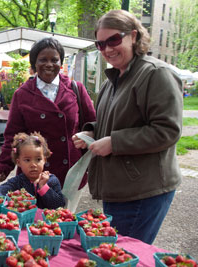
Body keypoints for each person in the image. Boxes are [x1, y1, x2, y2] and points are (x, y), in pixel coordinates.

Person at [72, 10, 183, 245]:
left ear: (133, 36)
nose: (107, 49)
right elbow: (110, 122)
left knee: (123, 254)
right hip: (119, 186)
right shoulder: (112, 80)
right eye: (100, 44)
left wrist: (114, 142)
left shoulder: (155, 74)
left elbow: (167, 130)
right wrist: (91, 131)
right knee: (116, 253)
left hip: (143, 190)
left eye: (114, 40)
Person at [0, 37, 96, 187]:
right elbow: (12, 137)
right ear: (34, 63)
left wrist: (90, 134)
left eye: (54, 60)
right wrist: (3, 166)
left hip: (71, 173)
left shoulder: (76, 89)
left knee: (65, 211)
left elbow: (92, 124)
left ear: (61, 63)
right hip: (34, 173)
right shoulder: (22, 94)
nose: (49, 64)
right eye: (42, 60)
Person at [0, 132, 66, 209]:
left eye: (38, 159)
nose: (33, 164)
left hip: (47, 227)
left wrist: (43, 187)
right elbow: (2, 189)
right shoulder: (18, 181)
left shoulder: (52, 180)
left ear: (44, 160)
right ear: (19, 162)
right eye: (27, 160)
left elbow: (59, 204)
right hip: (24, 225)